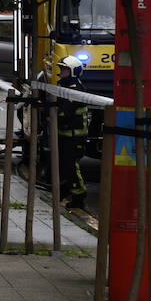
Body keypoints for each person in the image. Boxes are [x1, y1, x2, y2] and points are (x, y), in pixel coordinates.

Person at [55, 55, 91, 210]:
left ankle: (79, 197)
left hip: (75, 136)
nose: (61, 72)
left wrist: (52, 116)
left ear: (73, 71)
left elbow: (65, 113)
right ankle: (64, 190)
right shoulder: (64, 86)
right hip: (65, 134)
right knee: (62, 165)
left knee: (70, 166)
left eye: (64, 69)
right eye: (61, 69)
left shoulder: (74, 90)